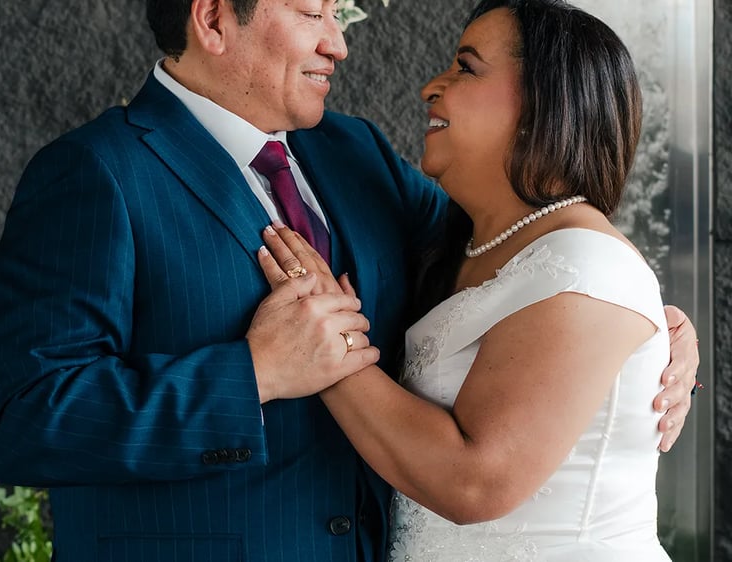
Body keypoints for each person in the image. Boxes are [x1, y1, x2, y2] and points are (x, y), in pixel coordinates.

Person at [0, 1, 696, 561]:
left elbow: (518, 265)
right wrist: (250, 374)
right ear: (215, 19)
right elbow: (16, 422)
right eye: (312, 12)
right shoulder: (96, 174)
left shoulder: (354, 151)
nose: (338, 42)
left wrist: (645, 338)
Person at [255, 0, 690, 559]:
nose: (430, 88)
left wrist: (323, 340)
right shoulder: (463, 244)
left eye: (466, 66)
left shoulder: (591, 265)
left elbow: (476, 482)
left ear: (545, 101)